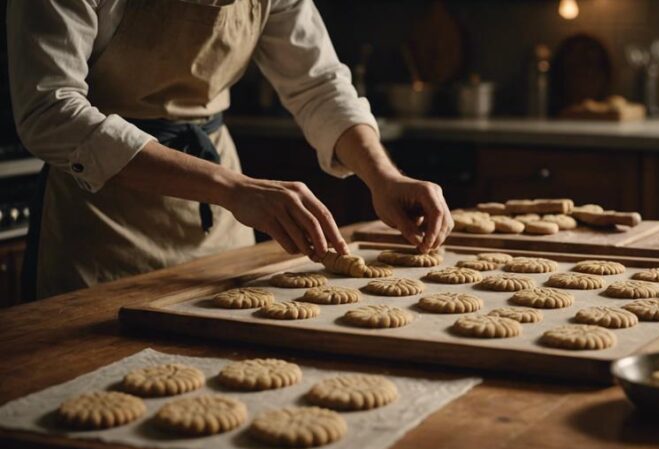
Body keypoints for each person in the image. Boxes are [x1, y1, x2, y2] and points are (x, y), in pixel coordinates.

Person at [7, 0, 453, 300]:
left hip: (221, 212)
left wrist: (383, 176)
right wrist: (231, 188)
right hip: (100, 217)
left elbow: (316, 84)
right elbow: (49, 111)